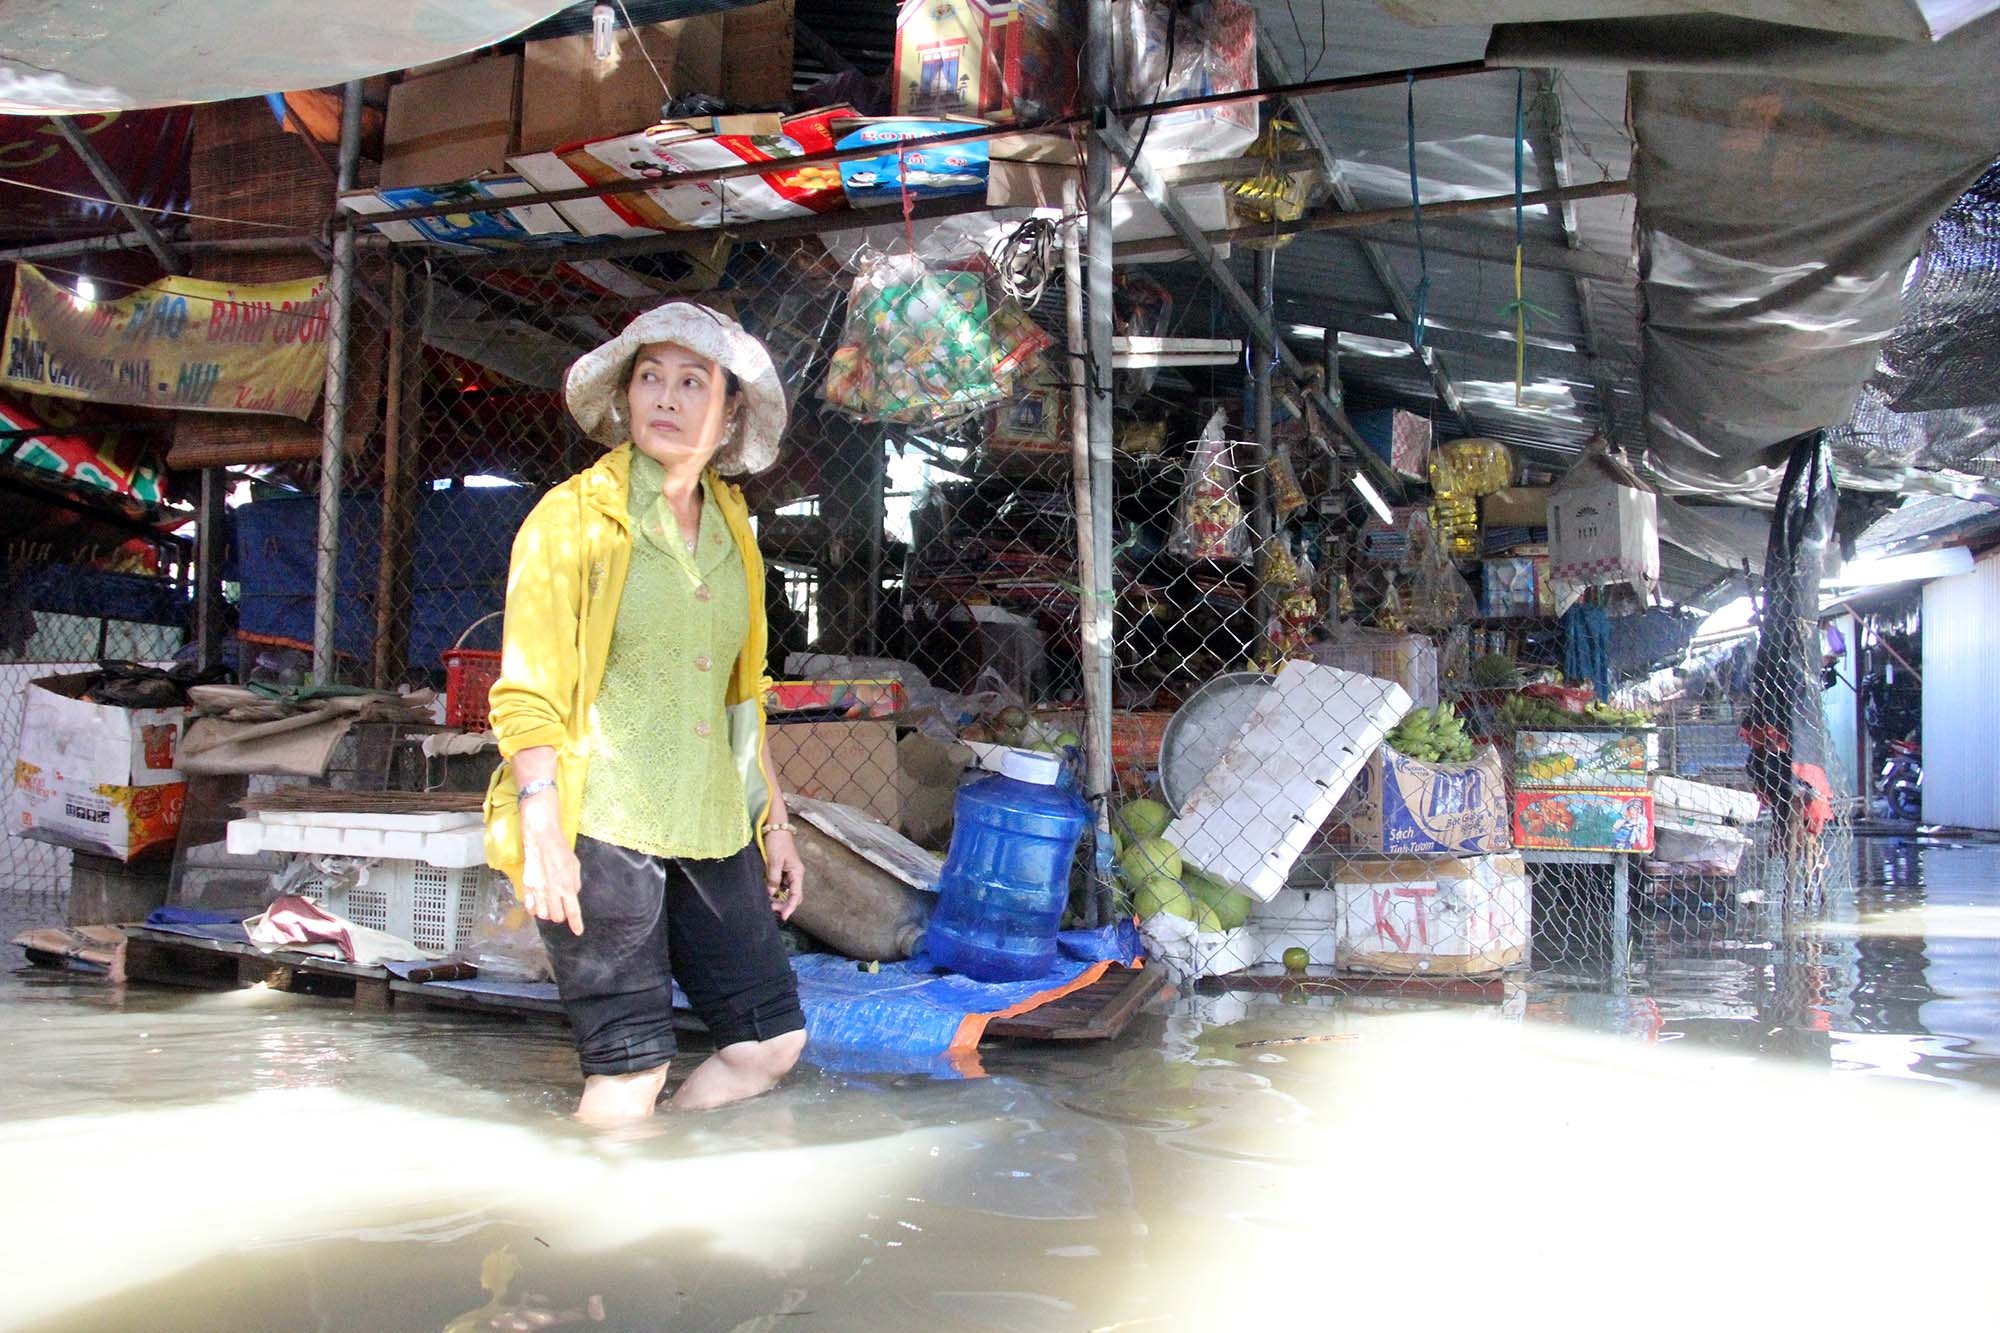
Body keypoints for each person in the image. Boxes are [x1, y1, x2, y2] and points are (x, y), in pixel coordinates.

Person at [482, 302, 807, 1123]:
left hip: (709, 818)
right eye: (650, 377)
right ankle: (597, 1196)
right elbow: (528, 690)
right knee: (631, 1072)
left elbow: (740, 693)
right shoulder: (572, 518)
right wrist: (542, 827)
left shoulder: (734, 528)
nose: (666, 397)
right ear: (626, 397)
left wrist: (775, 821)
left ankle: (669, 1170)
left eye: (693, 382)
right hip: (601, 823)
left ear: (729, 412)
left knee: (768, 1044)